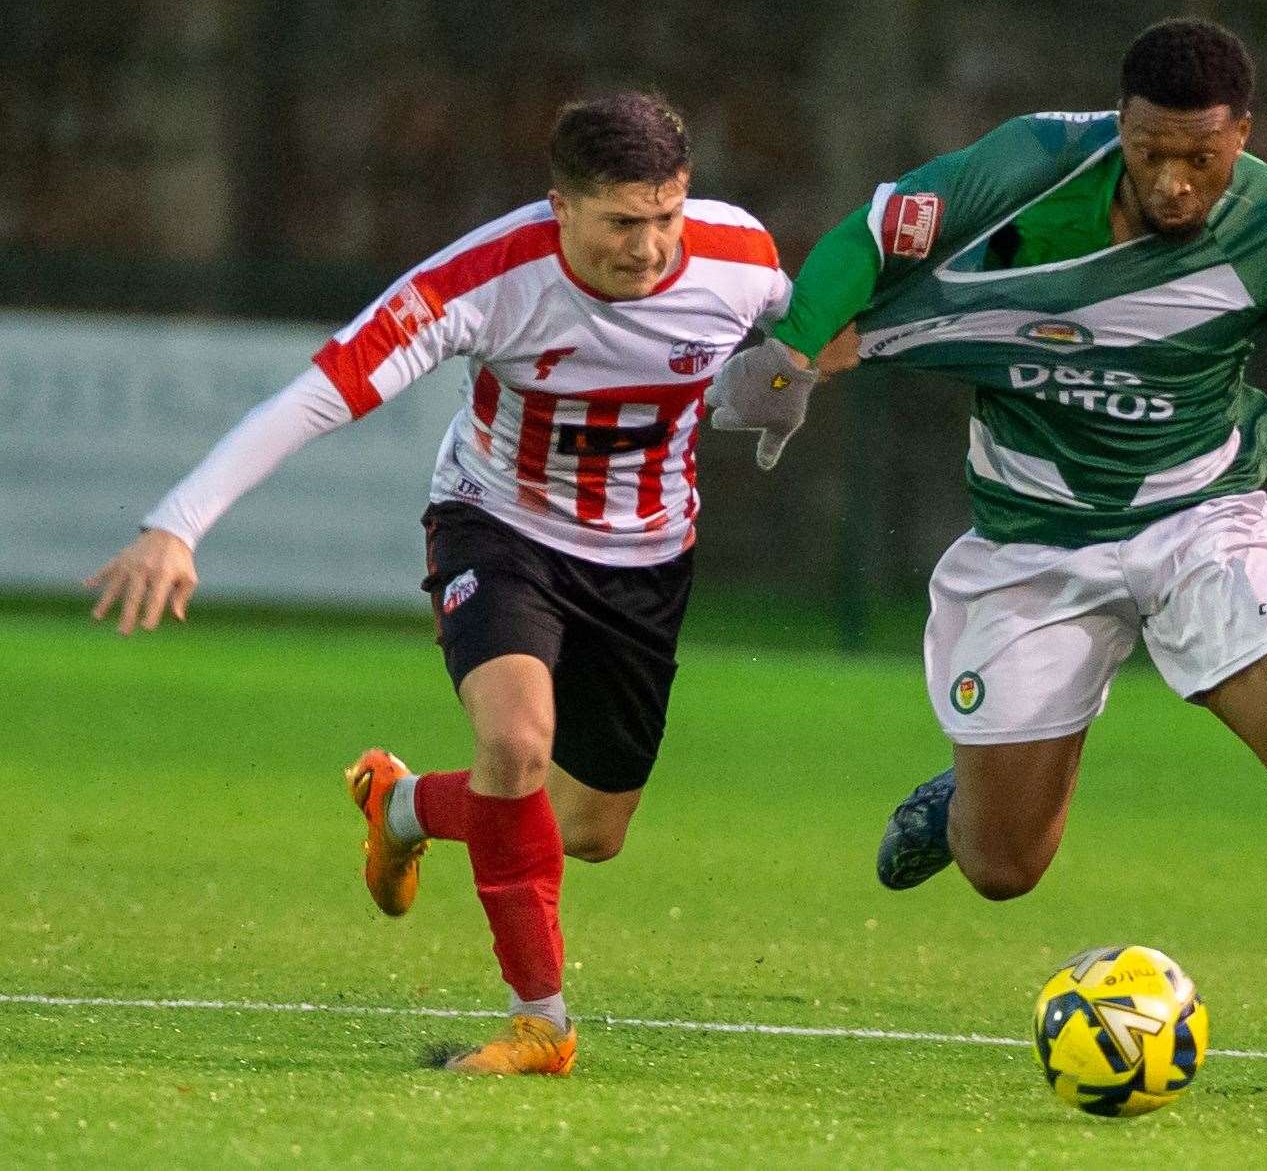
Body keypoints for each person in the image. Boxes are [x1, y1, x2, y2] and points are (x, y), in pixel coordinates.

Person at [708, 19, 1267, 1118]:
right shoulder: (1029, 165)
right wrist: (797, 348)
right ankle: (968, 809)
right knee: (1002, 868)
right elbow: (869, 242)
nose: (1174, 180)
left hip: (1204, 524)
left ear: (1243, 136)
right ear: (1118, 126)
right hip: (1028, 545)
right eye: (1150, 151)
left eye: (1203, 156)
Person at [88, 93, 791, 1076]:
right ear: (561, 207)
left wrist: (781, 393)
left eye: (666, 216)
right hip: (498, 527)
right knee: (517, 745)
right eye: (622, 223)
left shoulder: (741, 256)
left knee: (587, 832)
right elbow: (320, 394)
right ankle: (541, 1024)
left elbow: (811, 335)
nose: (650, 246)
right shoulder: (485, 280)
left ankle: (403, 807)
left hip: (648, 557)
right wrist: (178, 520)